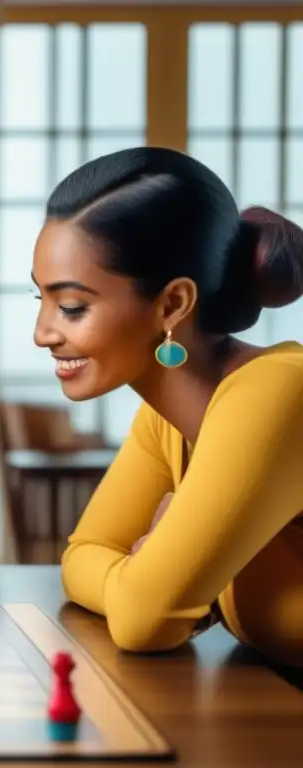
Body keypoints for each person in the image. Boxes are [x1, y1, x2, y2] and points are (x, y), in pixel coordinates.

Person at [32, 145, 303, 666]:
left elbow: (144, 622)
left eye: (70, 307)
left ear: (173, 304)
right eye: (40, 300)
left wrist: (152, 579)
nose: (43, 333)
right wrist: (146, 576)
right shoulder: (165, 421)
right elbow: (81, 556)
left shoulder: (277, 395)